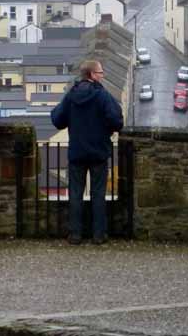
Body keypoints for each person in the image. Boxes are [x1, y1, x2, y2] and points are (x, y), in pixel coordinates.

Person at [50, 59, 124, 245]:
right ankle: (99, 234)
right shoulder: (102, 95)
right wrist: (106, 127)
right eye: (100, 72)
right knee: (98, 193)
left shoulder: (71, 96)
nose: (102, 75)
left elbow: (58, 120)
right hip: (98, 150)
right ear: (91, 74)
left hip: (77, 151)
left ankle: (75, 234)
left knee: (75, 193)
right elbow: (117, 120)